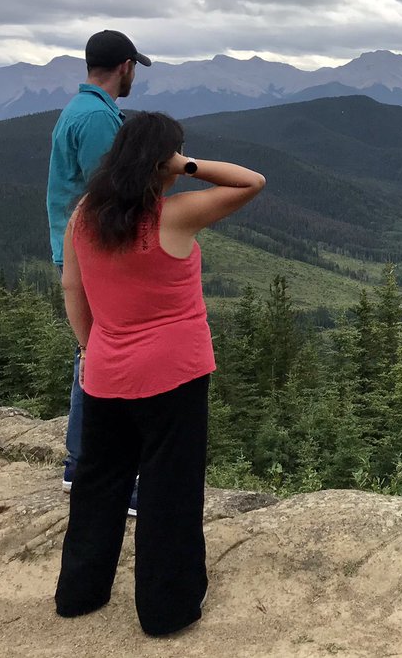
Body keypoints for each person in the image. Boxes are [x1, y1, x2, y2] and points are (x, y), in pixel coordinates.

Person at [54, 111, 266, 636]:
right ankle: (166, 610)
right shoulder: (172, 216)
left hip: (105, 371)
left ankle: (79, 593)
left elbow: (72, 290)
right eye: (174, 154)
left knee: (98, 484)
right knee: (169, 488)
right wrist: (186, 164)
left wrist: (92, 347)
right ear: (162, 161)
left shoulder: (84, 214)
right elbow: (251, 181)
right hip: (175, 373)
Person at [47, 30, 151, 494]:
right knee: (105, 350)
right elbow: (110, 194)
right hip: (93, 252)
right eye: (135, 69)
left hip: (83, 249)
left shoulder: (88, 110)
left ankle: (82, 465)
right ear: (126, 66)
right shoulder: (95, 119)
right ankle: (99, 470)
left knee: (95, 348)